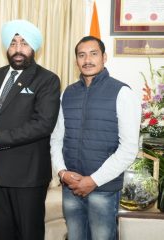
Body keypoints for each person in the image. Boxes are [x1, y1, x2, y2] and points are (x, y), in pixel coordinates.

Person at [0, 19, 60, 240]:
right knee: (3, 233)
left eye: (24, 43)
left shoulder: (47, 80)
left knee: (28, 234)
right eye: (13, 43)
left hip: (28, 174)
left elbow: (43, 124)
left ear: (34, 48)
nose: (18, 49)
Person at [51, 36, 141, 240]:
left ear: (104, 57)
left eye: (93, 54)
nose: (87, 60)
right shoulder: (67, 93)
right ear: (76, 61)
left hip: (103, 189)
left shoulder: (122, 93)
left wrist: (93, 180)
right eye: (81, 55)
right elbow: (57, 138)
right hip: (71, 187)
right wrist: (62, 172)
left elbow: (128, 149)